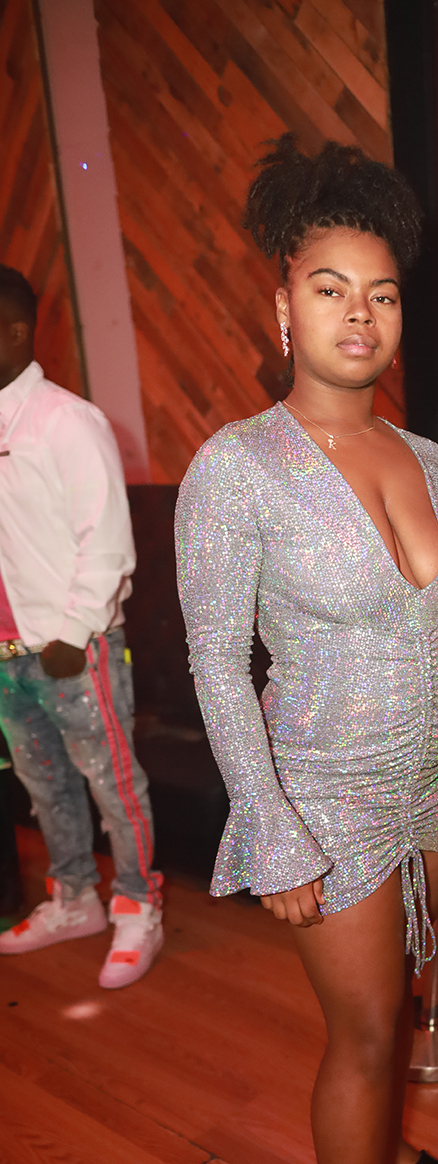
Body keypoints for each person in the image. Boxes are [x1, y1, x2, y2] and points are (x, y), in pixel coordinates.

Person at [175, 138, 438, 1164]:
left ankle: (384, 1157)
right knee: (362, 1036)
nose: (360, 313)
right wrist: (274, 829)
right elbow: (214, 662)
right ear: (282, 306)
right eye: (332, 287)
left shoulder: (433, 459)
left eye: (382, 292)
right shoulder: (237, 466)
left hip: (432, 786)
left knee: (407, 1000)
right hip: (326, 796)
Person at [0, 265, 163, 986]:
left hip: (73, 647)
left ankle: (139, 907)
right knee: (44, 786)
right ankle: (74, 899)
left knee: (112, 783)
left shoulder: (66, 420)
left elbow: (107, 542)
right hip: (6, 652)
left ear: (16, 332)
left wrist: (74, 632)